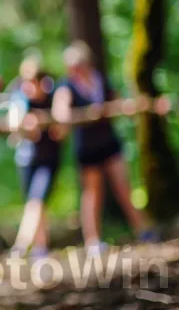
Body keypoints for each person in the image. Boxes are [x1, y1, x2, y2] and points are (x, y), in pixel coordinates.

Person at [51, 41, 155, 254]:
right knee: (92, 194)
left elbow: (117, 102)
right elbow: (60, 113)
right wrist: (87, 114)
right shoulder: (66, 87)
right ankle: (93, 241)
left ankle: (143, 229)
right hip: (87, 148)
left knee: (124, 187)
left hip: (109, 143)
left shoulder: (100, 79)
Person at [9, 57, 64, 259]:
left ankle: (21, 245)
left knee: (37, 200)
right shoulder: (18, 95)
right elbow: (14, 124)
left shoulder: (54, 94)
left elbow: (62, 126)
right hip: (26, 159)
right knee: (34, 204)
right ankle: (41, 248)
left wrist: (47, 122)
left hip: (49, 158)